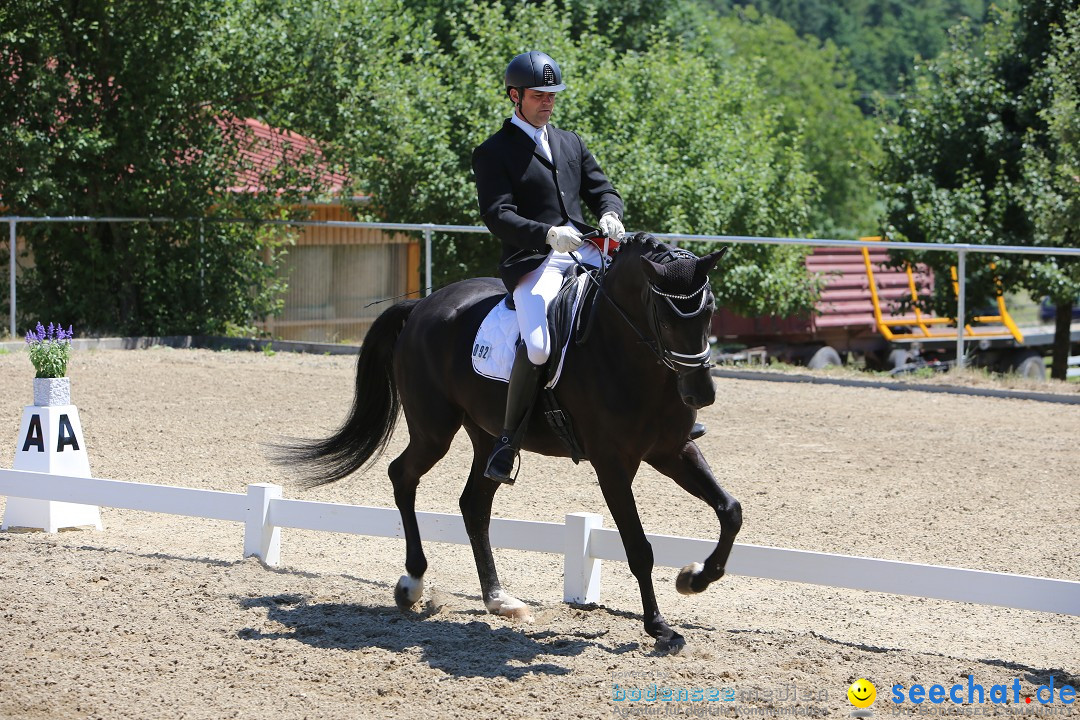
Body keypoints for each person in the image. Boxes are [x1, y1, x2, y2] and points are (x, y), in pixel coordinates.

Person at [472, 51, 703, 485]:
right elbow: (497, 214)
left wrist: (611, 214)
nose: (548, 102)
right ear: (514, 96)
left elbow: (603, 190)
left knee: (645, 307)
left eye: (552, 95)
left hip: (588, 250)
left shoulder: (570, 142)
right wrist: (545, 234)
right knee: (538, 345)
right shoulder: (493, 152)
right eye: (539, 95)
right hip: (535, 261)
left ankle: (675, 416)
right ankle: (508, 439)